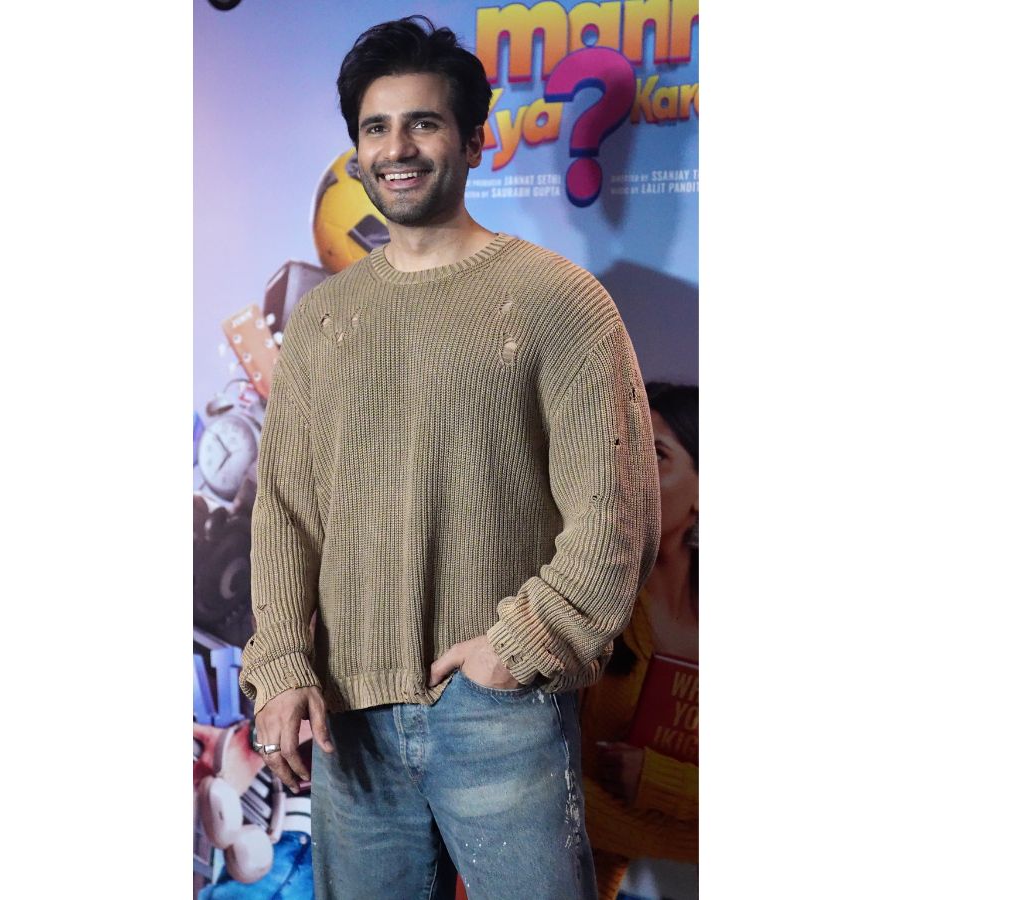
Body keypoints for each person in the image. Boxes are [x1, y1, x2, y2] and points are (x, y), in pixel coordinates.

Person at [237, 16, 661, 900]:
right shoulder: (324, 320)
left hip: (501, 709)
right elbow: (284, 514)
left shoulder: (558, 300)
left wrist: (517, 649)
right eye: (376, 128)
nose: (397, 148)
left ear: (472, 141)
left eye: (423, 123)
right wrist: (278, 664)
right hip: (349, 721)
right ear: (358, 152)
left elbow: (616, 514)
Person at [578, 383, 699, 899]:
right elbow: (555, 796)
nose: (629, 472)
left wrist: (656, 781)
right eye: (623, 450)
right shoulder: (590, 603)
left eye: (656, 455)